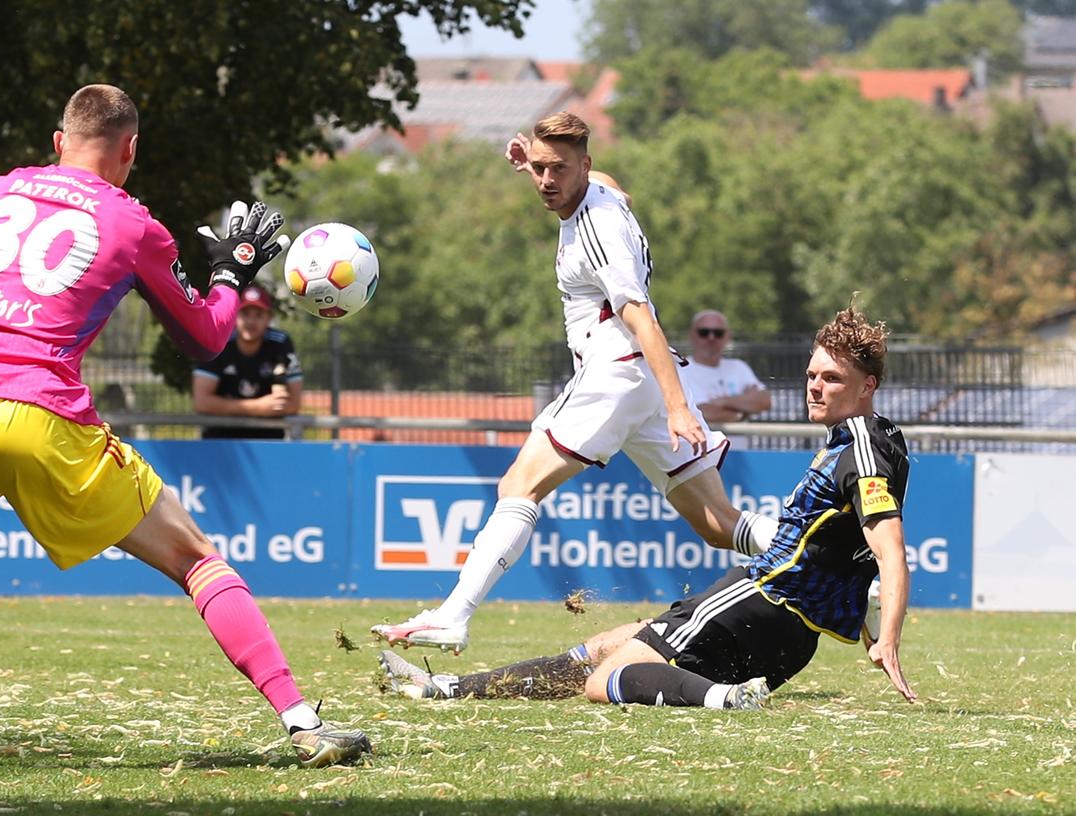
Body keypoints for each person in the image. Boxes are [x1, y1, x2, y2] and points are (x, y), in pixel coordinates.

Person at [0, 84, 370, 774]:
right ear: (129, 151)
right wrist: (230, 272)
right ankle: (304, 724)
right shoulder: (134, 225)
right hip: (42, 417)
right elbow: (207, 340)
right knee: (196, 559)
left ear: (59, 141)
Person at [370, 113, 777, 656]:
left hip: (617, 368)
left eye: (558, 169)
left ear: (584, 165)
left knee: (519, 486)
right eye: (538, 168)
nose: (545, 180)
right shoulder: (605, 194)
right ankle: (838, 569)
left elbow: (641, 317)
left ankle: (453, 616)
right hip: (645, 380)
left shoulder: (599, 228)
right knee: (720, 525)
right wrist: (541, 161)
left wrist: (680, 407)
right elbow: (613, 185)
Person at [379, 306, 917, 710]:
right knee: (607, 644)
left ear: (868, 385)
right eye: (812, 374)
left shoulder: (863, 447)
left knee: (602, 681)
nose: (815, 387)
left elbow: (889, 554)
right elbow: (850, 554)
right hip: (790, 635)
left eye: (832, 379)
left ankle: (723, 699)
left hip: (762, 600)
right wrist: (866, 617)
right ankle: (446, 687)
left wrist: (886, 639)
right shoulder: (876, 439)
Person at [192, 282, 303, 439]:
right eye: (245, 313)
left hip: (268, 444)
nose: (251, 322)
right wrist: (259, 407)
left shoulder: (281, 343)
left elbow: (293, 404)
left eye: (258, 314)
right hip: (219, 443)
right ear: (234, 315)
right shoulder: (217, 342)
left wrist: (225, 406)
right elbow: (201, 403)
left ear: (269, 318)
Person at [680, 309, 771, 426]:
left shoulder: (739, 367)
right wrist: (742, 413)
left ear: (727, 336)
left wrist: (723, 401)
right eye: (704, 332)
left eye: (718, 333)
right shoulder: (681, 370)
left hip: (738, 444)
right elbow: (700, 413)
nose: (711, 338)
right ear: (692, 335)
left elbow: (764, 401)